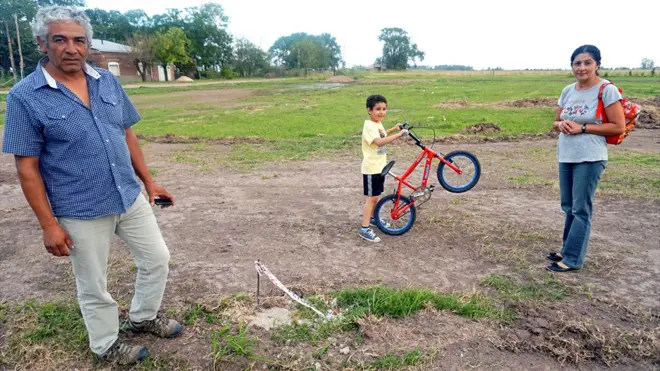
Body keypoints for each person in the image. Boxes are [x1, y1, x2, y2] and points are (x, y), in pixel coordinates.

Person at [1, 6, 183, 365]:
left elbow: (126, 132)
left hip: (128, 195)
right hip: (79, 207)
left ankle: (143, 317)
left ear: (88, 44)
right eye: (60, 39)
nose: (71, 48)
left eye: (78, 40)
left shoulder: (107, 80)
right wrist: (48, 225)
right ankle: (105, 344)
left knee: (157, 258)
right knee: (93, 283)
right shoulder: (25, 96)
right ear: (42, 43)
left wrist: (149, 181)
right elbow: (27, 168)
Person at [546, 45, 625, 272]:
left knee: (581, 208)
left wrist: (582, 128)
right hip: (567, 154)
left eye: (587, 62)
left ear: (597, 64)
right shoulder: (568, 90)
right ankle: (566, 248)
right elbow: (555, 122)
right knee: (568, 206)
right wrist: (560, 124)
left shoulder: (606, 90)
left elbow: (617, 126)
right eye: (577, 63)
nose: (582, 68)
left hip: (590, 157)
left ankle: (572, 259)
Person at [359, 94, 408, 242]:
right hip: (371, 168)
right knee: (371, 198)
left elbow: (382, 134)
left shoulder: (377, 124)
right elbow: (379, 142)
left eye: (384, 109)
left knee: (376, 196)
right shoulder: (368, 125)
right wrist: (399, 135)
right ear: (369, 110)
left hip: (379, 167)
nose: (381, 112)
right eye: (378, 109)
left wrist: (394, 128)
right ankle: (364, 228)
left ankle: (373, 219)